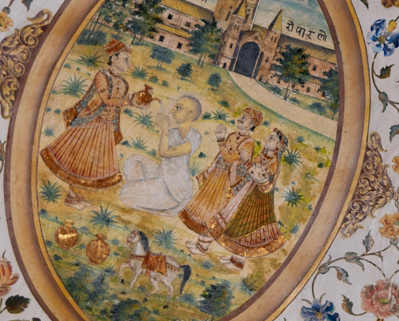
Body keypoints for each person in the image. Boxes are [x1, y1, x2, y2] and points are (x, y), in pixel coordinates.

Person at [41, 38, 134, 205]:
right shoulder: (102, 76)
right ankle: (71, 197)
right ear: (114, 59)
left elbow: (117, 107)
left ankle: (77, 196)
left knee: (91, 163)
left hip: (105, 126)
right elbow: (106, 99)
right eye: (125, 59)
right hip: (90, 122)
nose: (129, 63)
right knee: (80, 160)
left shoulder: (124, 83)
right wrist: (129, 101)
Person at [181, 106, 263, 236]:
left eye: (245, 118)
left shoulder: (249, 142)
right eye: (242, 116)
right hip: (218, 172)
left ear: (251, 125)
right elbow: (221, 155)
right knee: (205, 199)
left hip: (227, 178)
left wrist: (220, 140)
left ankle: (205, 234)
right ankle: (193, 224)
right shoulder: (232, 135)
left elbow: (231, 158)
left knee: (214, 204)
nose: (241, 118)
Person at [211, 125, 286, 263]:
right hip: (248, 192)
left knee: (248, 228)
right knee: (238, 223)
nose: (267, 139)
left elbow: (259, 178)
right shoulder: (262, 156)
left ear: (278, 146)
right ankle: (235, 260)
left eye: (272, 138)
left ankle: (238, 262)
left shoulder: (274, 163)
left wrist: (248, 163)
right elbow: (251, 174)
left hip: (258, 200)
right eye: (269, 136)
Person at [119, 93, 204, 212]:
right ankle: (145, 189)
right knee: (132, 161)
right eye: (174, 107)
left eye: (178, 108)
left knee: (125, 192)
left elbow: (164, 153)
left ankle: (146, 193)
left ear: (190, 113)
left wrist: (164, 129)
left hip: (174, 186)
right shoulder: (173, 133)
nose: (173, 110)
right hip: (162, 173)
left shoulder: (195, 136)